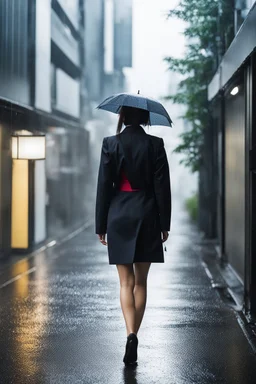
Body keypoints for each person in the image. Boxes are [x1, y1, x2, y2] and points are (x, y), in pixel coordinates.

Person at [95, 105, 171, 365]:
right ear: (147, 118)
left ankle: (129, 334)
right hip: (147, 214)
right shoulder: (156, 145)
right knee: (141, 282)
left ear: (123, 117)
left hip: (119, 216)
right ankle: (133, 335)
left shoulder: (110, 143)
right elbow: (162, 187)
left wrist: (100, 225)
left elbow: (104, 186)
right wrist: (165, 224)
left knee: (125, 282)